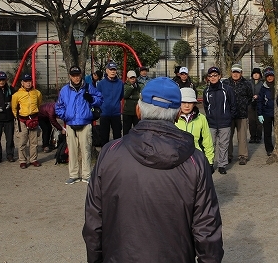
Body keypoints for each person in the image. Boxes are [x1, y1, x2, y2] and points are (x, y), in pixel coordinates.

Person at [83, 77, 224, 263]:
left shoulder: (110, 153)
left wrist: (95, 259)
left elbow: (94, 221)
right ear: (177, 114)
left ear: (138, 110)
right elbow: (207, 229)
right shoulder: (195, 161)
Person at [56, 65, 103, 184]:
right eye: (74, 75)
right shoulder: (64, 90)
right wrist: (65, 115)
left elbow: (100, 99)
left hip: (85, 123)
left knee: (86, 149)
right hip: (70, 124)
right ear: (70, 76)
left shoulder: (88, 87)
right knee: (72, 150)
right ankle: (73, 175)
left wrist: (91, 99)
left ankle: (86, 175)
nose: (76, 78)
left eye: (78, 75)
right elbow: (59, 106)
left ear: (81, 75)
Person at [203, 66, 236, 174]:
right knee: (210, 144)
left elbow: (233, 104)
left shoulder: (227, 89)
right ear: (208, 78)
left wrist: (229, 117)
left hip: (224, 122)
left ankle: (222, 165)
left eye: (215, 75)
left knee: (223, 144)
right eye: (210, 76)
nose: (213, 78)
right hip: (211, 123)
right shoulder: (206, 91)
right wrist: (209, 116)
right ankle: (210, 164)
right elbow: (205, 105)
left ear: (219, 76)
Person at [176, 87, 214, 172]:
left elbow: (207, 141)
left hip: (196, 159)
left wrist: (210, 162)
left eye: (190, 102)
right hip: (177, 160)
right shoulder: (172, 118)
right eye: (184, 102)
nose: (187, 105)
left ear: (194, 104)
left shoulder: (201, 118)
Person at [223, 64, 252, 165]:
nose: (235, 74)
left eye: (237, 72)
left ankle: (243, 156)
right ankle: (228, 155)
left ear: (241, 73)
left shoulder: (246, 83)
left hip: (242, 114)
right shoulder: (225, 83)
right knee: (227, 136)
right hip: (229, 115)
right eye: (234, 72)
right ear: (231, 72)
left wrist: (243, 106)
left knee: (242, 137)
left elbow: (250, 97)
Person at [12, 73, 43, 169]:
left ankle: (33, 159)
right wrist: (18, 118)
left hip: (33, 119)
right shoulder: (17, 95)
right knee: (22, 141)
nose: (28, 84)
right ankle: (23, 160)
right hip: (22, 120)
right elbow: (14, 108)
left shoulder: (37, 93)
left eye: (29, 81)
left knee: (34, 141)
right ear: (22, 83)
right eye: (26, 82)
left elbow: (39, 104)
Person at [95, 61, 124, 144]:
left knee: (117, 136)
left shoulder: (120, 83)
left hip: (116, 114)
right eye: (111, 69)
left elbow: (121, 96)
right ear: (107, 71)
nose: (113, 71)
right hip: (104, 113)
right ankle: (105, 154)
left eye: (114, 69)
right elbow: (98, 97)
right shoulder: (101, 84)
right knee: (104, 136)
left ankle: (116, 154)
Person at [257, 67, 275, 156]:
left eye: (271, 76)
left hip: (277, 113)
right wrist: (260, 114)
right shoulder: (263, 88)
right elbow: (260, 101)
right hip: (266, 113)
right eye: (268, 76)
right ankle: (269, 149)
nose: (270, 78)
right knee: (267, 132)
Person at [122, 70, 143, 135]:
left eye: (134, 78)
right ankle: (126, 143)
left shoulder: (139, 86)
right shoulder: (125, 86)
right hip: (127, 111)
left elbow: (140, 96)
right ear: (128, 78)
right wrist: (131, 87)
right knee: (126, 130)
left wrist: (131, 97)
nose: (133, 80)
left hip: (136, 112)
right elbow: (125, 95)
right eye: (131, 78)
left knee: (137, 130)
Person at [248, 67, 263, 144]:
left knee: (259, 122)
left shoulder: (262, 83)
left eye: (257, 74)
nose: (256, 75)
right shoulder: (249, 83)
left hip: (259, 104)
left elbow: (263, 94)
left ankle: (259, 137)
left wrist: (258, 96)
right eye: (254, 74)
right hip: (250, 104)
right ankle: (252, 136)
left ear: (260, 75)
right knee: (251, 121)